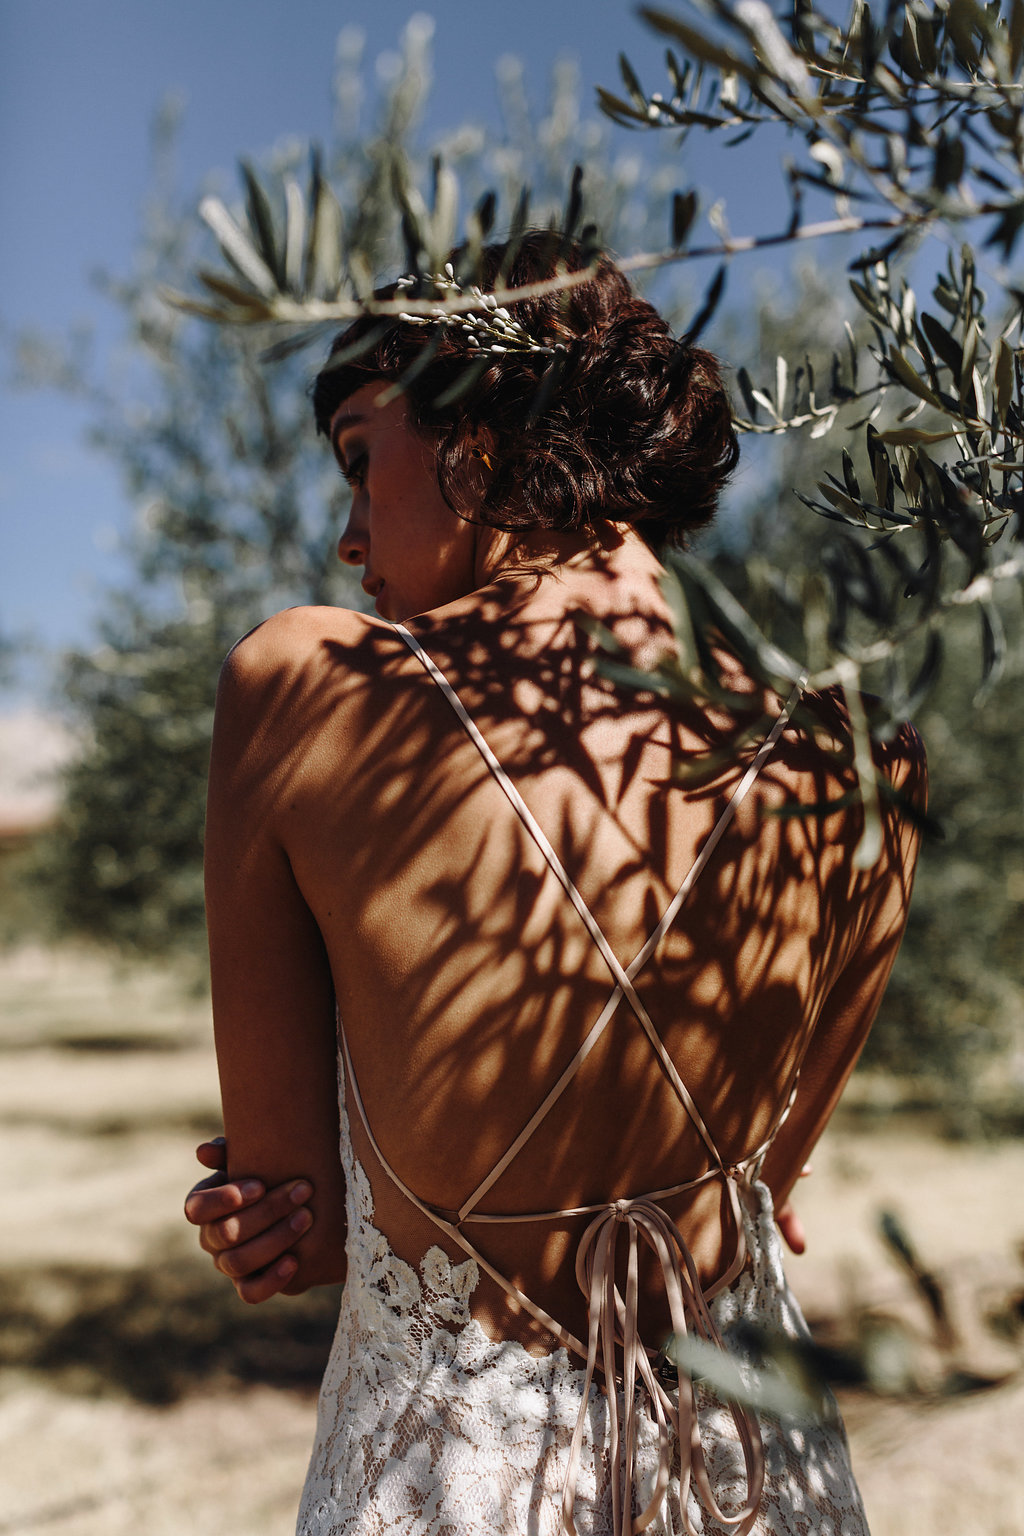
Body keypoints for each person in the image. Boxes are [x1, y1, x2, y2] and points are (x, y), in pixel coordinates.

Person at [185, 233, 924, 1536]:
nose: (350, 536)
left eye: (362, 456)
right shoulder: (864, 753)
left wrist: (271, 1211)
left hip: (457, 1485)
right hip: (755, 1475)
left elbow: (297, 1241)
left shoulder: (302, 690)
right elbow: (765, 1192)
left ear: (478, 436)